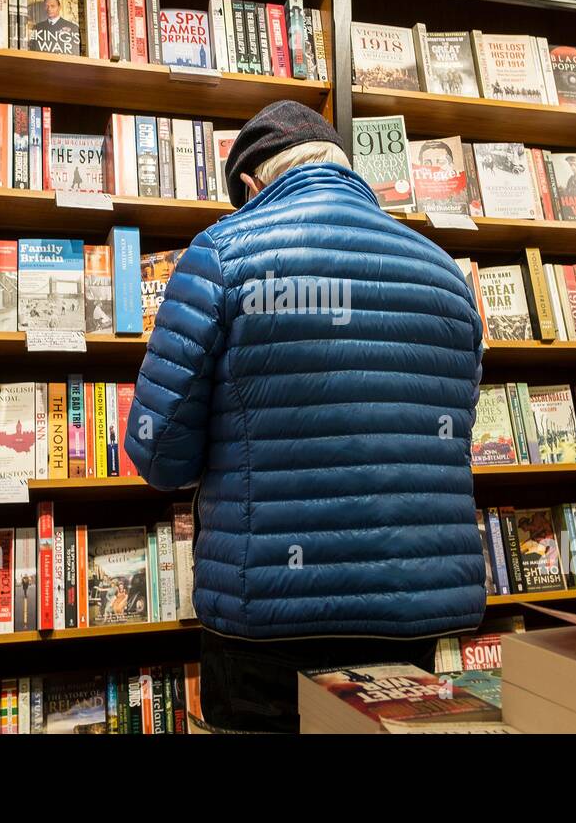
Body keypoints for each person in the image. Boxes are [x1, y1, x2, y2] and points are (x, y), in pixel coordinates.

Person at [125, 100, 486, 733]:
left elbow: (160, 455)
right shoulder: (446, 275)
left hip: (267, 621)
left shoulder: (222, 256)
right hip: (411, 618)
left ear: (249, 184)